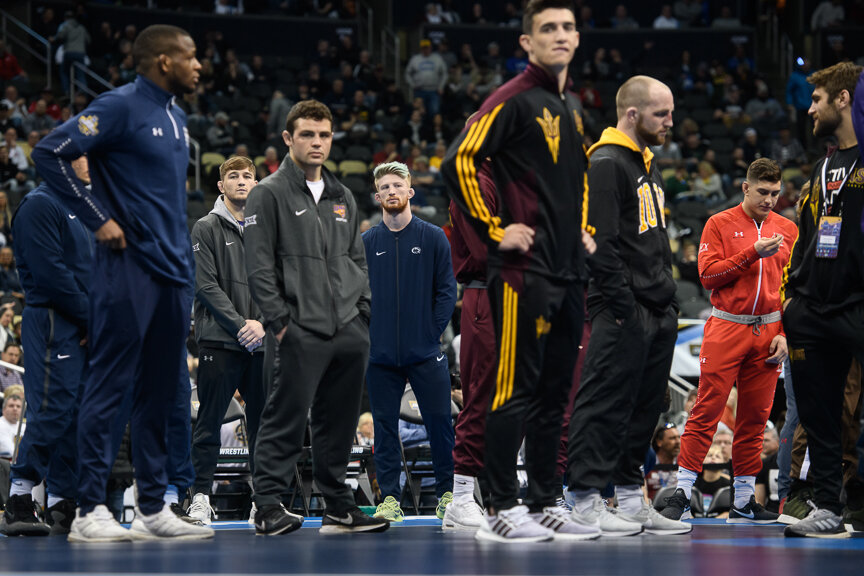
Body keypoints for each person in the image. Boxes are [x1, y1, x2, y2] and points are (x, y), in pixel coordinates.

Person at [31, 24, 213, 542]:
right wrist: (96, 217)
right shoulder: (118, 105)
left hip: (174, 272)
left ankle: (154, 507)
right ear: (163, 61)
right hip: (127, 267)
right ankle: (90, 509)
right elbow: (50, 152)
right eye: (191, 55)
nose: (198, 65)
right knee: (111, 385)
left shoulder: (176, 116)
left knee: (162, 391)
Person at [442, 0, 599, 543]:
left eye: (567, 27)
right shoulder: (511, 99)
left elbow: (576, 181)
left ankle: (541, 502)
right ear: (527, 43)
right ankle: (500, 508)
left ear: (578, 38)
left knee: (556, 393)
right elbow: (458, 160)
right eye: (547, 28)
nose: (560, 35)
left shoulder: (573, 106)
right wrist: (492, 229)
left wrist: (581, 229)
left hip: (567, 271)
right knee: (511, 390)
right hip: (520, 272)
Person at [244, 99, 388, 536]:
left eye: (324, 135)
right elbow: (258, 266)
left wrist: (360, 314)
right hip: (298, 327)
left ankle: (339, 507)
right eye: (307, 134)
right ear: (288, 138)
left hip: (347, 327)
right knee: (285, 417)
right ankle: (268, 506)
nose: (317, 142)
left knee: (340, 422)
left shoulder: (343, 195)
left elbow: (356, 260)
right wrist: (281, 321)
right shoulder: (267, 193)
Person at [566, 75, 691, 536]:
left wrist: (667, 302)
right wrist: (621, 305)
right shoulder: (605, 162)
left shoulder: (646, 162)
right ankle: (583, 499)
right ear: (632, 114)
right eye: (662, 113)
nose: (670, 122)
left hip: (656, 306)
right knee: (604, 402)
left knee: (643, 408)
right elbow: (598, 242)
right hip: (624, 306)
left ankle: (629, 497)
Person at [659, 158, 796, 524]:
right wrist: (754, 252)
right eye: (763, 192)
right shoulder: (719, 223)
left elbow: (791, 288)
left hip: (768, 332)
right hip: (726, 326)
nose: (769, 200)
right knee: (705, 411)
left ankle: (743, 500)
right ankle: (682, 492)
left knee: (755, 418)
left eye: (776, 193)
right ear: (745, 188)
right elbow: (707, 277)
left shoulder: (789, 229)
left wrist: (784, 333)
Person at [782, 61, 864, 539]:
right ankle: (828, 508)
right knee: (819, 414)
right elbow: (808, 239)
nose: (808, 107)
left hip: (857, 303)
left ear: (843, 99)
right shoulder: (820, 168)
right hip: (812, 309)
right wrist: (793, 300)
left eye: (816, 99)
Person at [0, 158, 92, 538]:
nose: (91, 163)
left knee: (75, 413)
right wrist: (93, 318)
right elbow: (52, 275)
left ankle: (61, 502)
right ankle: (20, 496)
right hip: (53, 318)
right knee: (53, 408)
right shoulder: (40, 204)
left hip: (83, 321)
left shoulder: (85, 209)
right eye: (82, 157)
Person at [362, 161, 457, 523]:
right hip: (381, 354)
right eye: (384, 187)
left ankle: (449, 495)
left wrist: (430, 333)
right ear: (377, 196)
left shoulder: (432, 236)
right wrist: (372, 334)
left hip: (425, 351)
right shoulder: (367, 241)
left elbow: (447, 291)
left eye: (396, 186)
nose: (391, 192)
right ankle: (390, 499)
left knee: (439, 425)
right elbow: (356, 294)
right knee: (384, 428)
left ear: (410, 192)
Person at [187, 155, 266, 525]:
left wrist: (262, 323)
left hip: (261, 342)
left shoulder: (268, 228)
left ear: (256, 182)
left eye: (247, 176)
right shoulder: (205, 227)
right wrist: (241, 325)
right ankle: (200, 497)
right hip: (220, 341)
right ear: (221, 186)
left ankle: (264, 500)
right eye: (232, 176)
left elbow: (279, 284)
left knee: (264, 422)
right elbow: (205, 286)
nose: (240, 181)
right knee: (209, 422)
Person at [404, 39, 447, 118]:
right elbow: (407, 73)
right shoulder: (415, 59)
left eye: (427, 48)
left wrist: (441, 86)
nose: (426, 50)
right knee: (418, 111)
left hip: (434, 90)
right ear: (421, 49)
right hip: (419, 90)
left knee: (434, 111)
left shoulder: (437, 58)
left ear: (430, 48)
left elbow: (444, 73)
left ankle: (432, 129)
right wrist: (412, 84)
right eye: (424, 48)